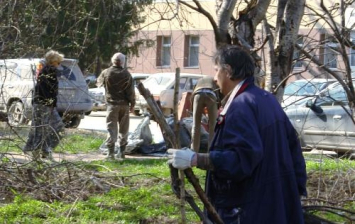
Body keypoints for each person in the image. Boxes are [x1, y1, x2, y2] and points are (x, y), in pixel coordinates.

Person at [168, 45, 307, 224]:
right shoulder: (266, 99)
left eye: (217, 71)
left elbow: (243, 159)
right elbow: (294, 148)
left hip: (249, 208)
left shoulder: (241, 106)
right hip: (275, 202)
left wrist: (196, 159)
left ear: (228, 71)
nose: (215, 78)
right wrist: (296, 190)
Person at [24, 50, 65, 159]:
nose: (59, 65)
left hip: (45, 104)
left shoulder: (48, 70)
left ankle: (45, 150)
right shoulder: (48, 70)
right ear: (53, 61)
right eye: (58, 62)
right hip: (43, 104)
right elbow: (45, 89)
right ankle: (37, 153)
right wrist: (49, 103)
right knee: (41, 129)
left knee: (56, 127)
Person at [97, 52, 135, 160]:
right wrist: (133, 104)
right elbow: (131, 92)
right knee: (124, 129)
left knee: (111, 129)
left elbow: (99, 83)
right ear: (123, 62)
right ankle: (122, 153)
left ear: (112, 61)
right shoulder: (127, 74)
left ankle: (110, 154)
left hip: (112, 105)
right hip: (124, 105)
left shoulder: (106, 72)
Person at [191, 76, 218, 152]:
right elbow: (220, 97)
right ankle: (211, 152)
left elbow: (191, 99)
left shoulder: (198, 82)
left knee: (196, 125)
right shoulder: (215, 81)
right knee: (213, 126)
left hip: (197, 94)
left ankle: (193, 151)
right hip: (211, 94)